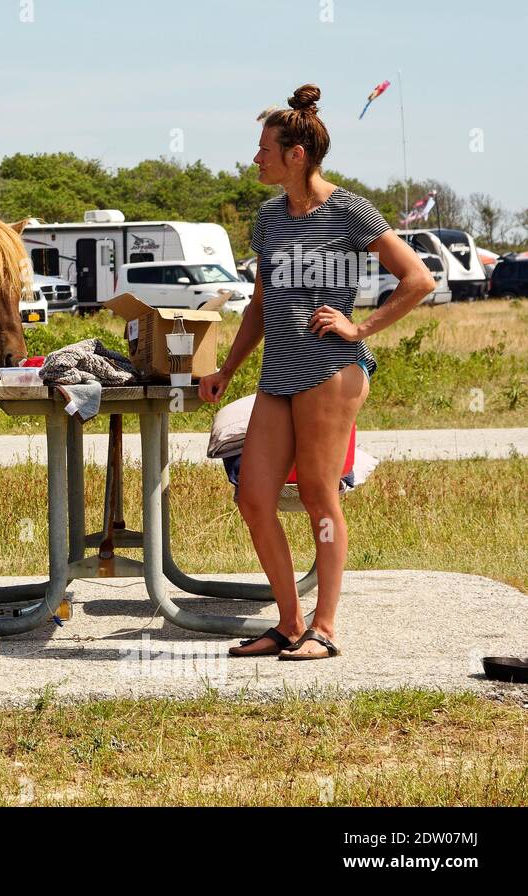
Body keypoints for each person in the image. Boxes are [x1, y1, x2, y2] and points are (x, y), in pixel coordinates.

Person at [198, 84, 435, 661]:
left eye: (264, 149)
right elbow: (258, 305)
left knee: (318, 495)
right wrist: (227, 368)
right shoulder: (268, 218)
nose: (256, 158)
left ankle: (324, 628)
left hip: (330, 371)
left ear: (296, 154)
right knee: (253, 496)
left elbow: (419, 279)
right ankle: (287, 622)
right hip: (278, 372)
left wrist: (361, 328)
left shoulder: (349, 210)